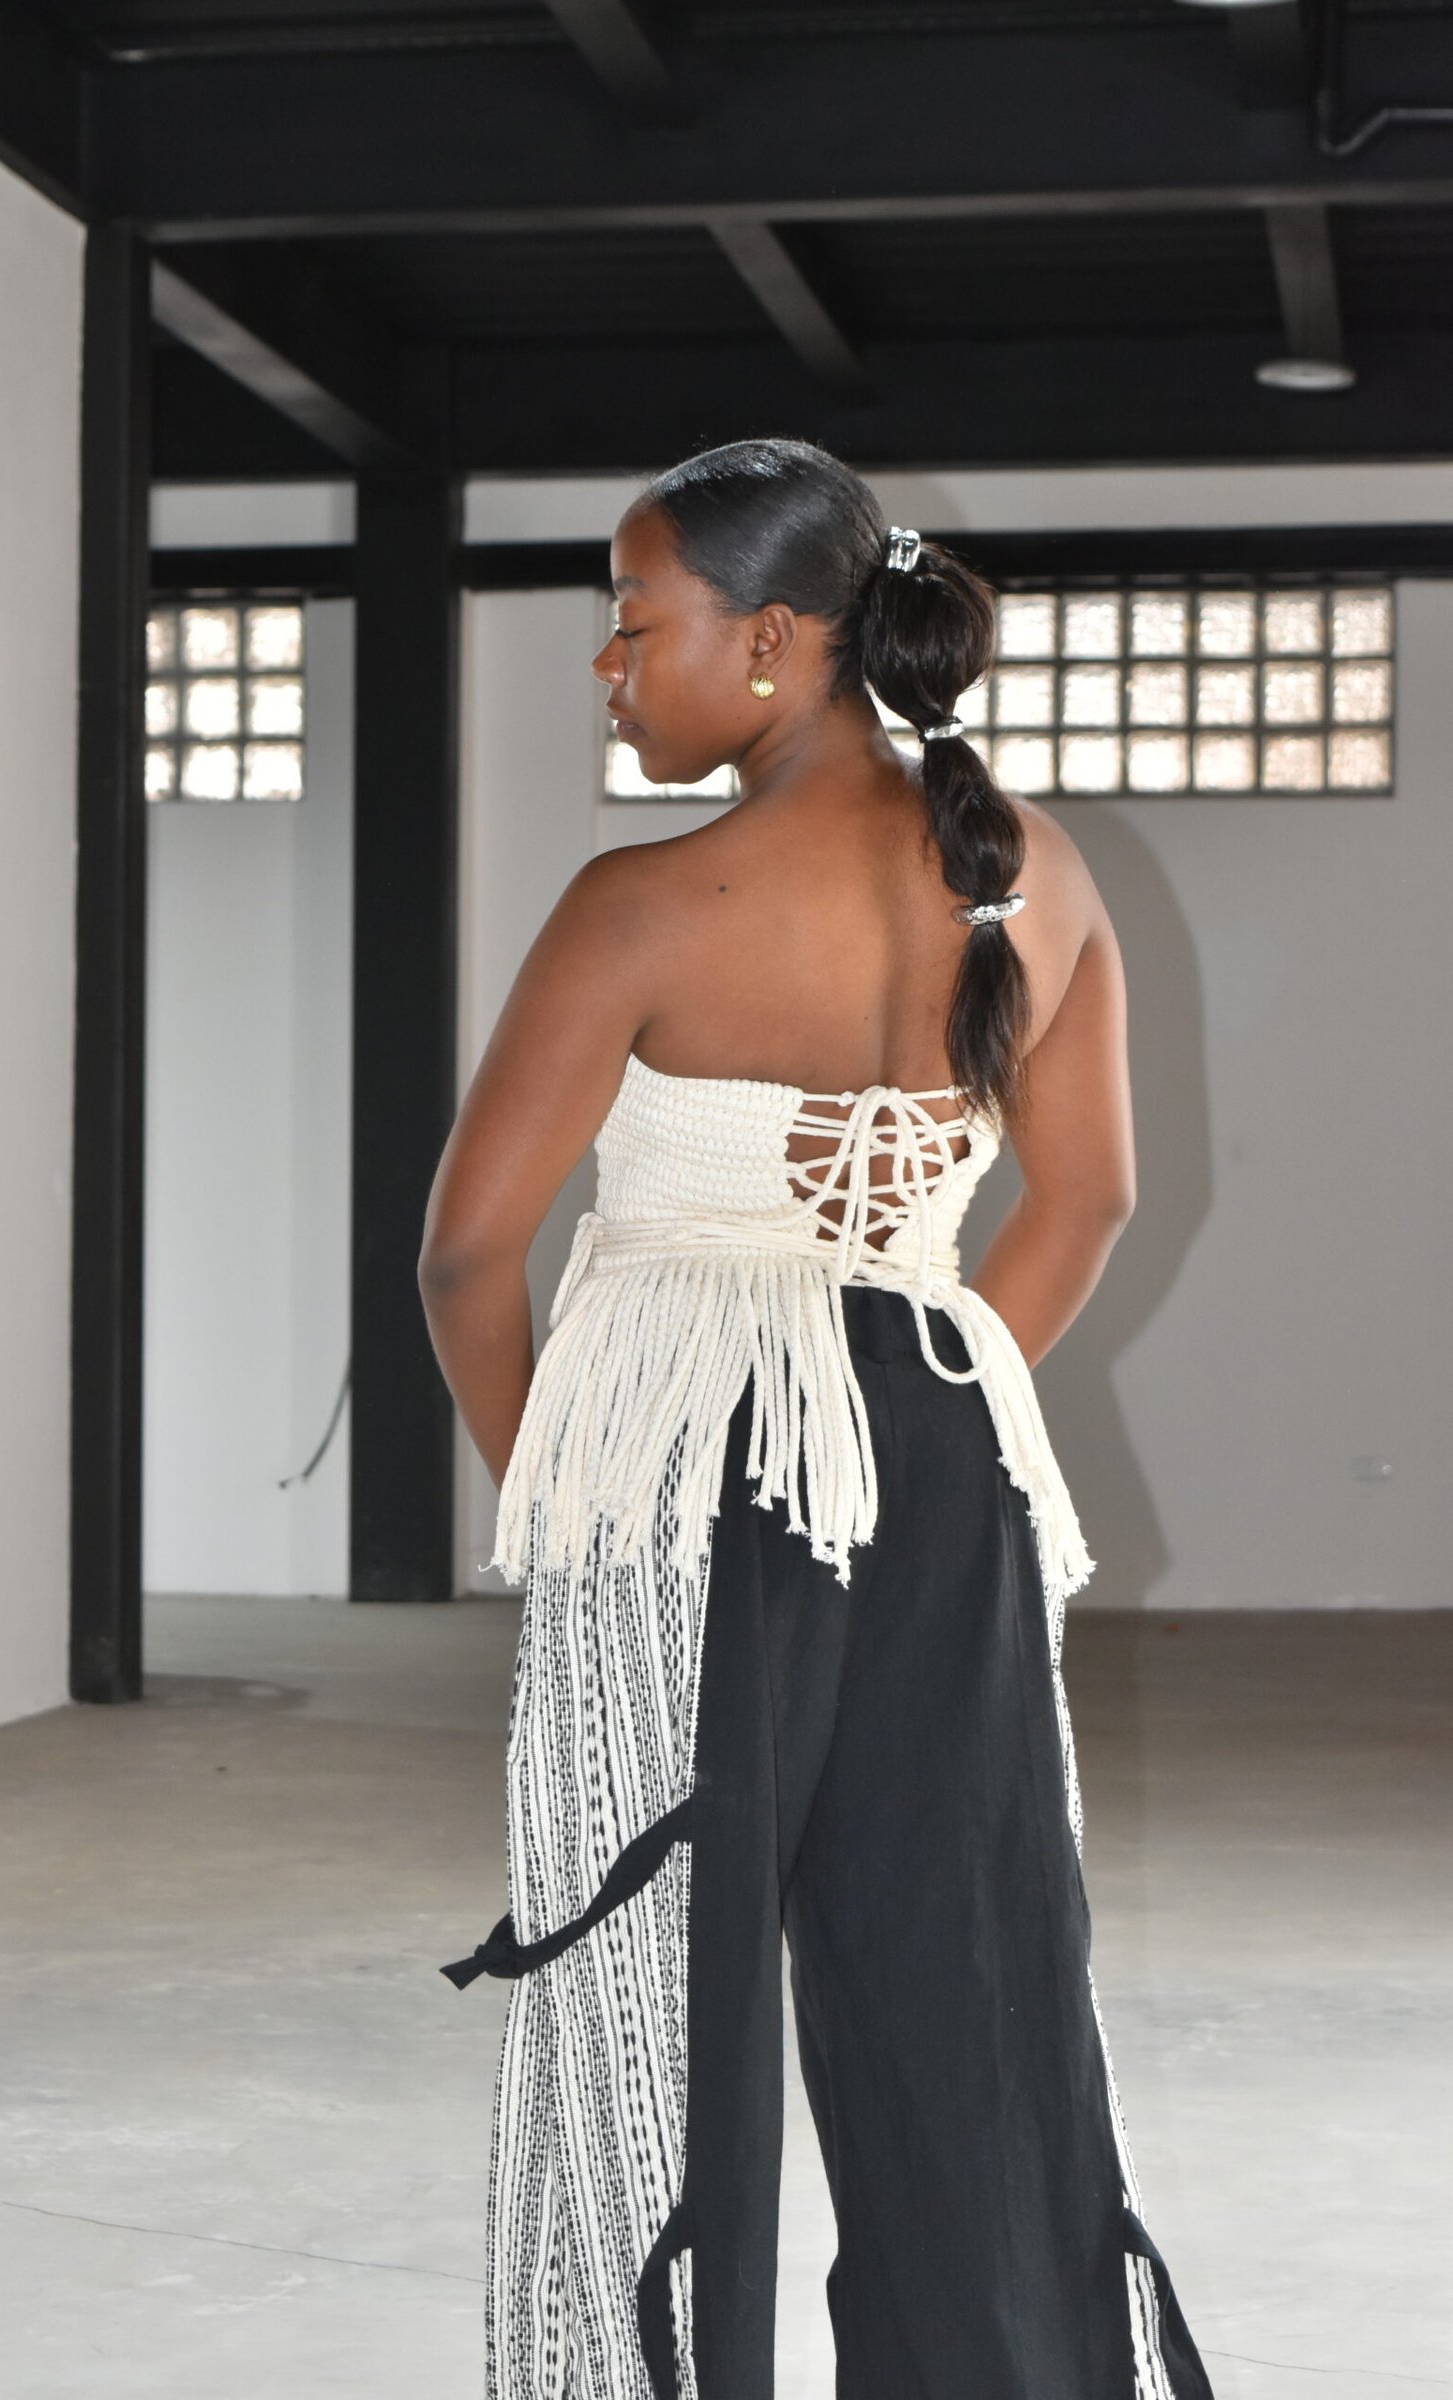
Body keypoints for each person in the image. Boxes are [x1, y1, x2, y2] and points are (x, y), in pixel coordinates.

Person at [420, 437, 1214, 2400]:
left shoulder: (642, 902)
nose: (608, 666)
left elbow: (465, 1256)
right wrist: (913, 1405)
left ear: (772, 640)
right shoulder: (1029, 874)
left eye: (634, 622)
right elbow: (1090, 1200)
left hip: (679, 1470)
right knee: (967, 1979)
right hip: (944, 1459)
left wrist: (566, 1503)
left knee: (643, 2012)